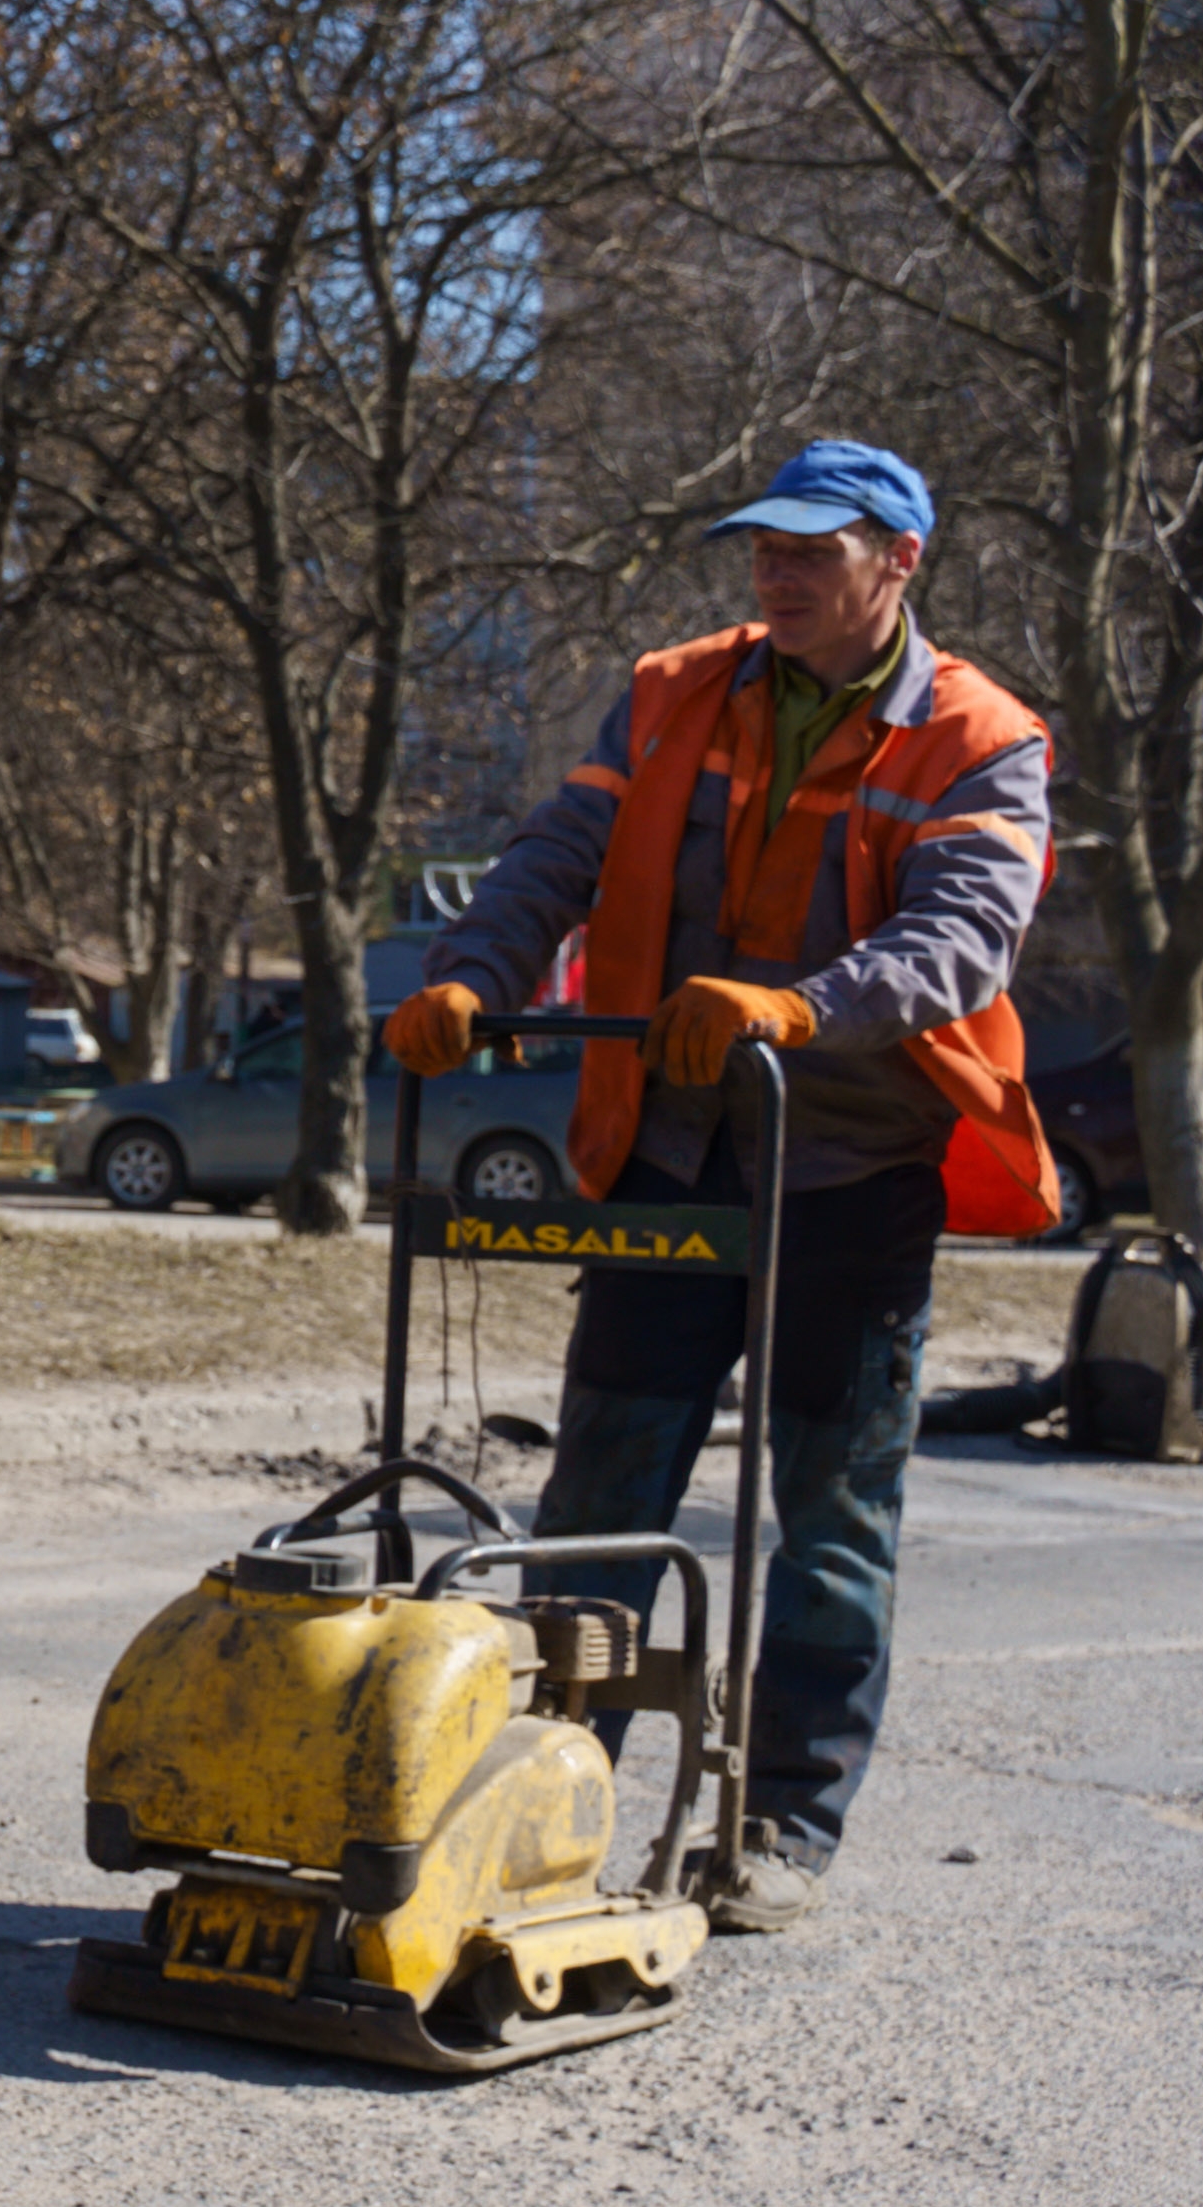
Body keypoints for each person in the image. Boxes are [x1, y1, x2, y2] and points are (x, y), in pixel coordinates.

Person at [386, 437, 1053, 1929]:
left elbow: (966, 938)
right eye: (766, 550)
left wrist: (802, 1004)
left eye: (815, 552)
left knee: (830, 1511)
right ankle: (547, 1801)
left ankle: (785, 1830)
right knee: (604, 1486)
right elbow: (554, 856)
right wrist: (471, 979)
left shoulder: (979, 735)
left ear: (900, 562)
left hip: (848, 1169)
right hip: (670, 1158)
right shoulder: (672, 687)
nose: (780, 575)